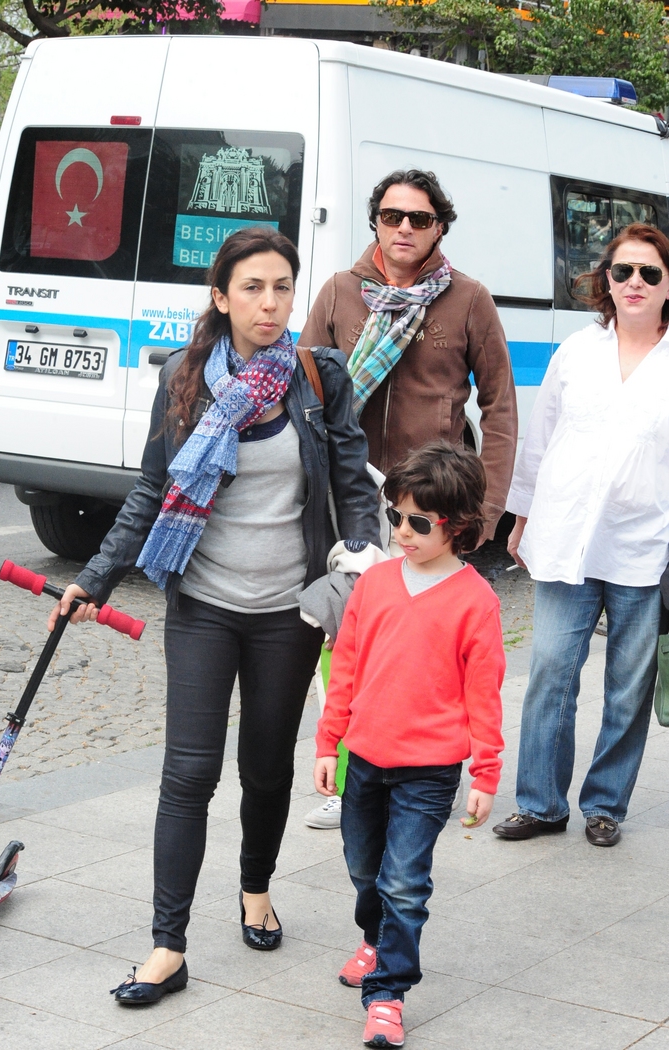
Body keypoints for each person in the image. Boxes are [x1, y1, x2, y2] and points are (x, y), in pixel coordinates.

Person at [48, 227, 381, 1003]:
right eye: (253, 288)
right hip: (202, 603)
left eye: (282, 288)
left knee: (264, 768)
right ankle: (167, 946)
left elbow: (351, 481)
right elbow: (151, 489)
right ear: (220, 297)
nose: (270, 303)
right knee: (188, 774)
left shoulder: (318, 376)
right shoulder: (183, 376)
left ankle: (255, 888)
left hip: (288, 611)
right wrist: (95, 578)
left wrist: (361, 558)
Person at [302, 167, 516, 830]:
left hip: (429, 505)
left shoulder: (468, 299)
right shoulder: (340, 292)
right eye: (391, 215)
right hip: (349, 495)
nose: (403, 228)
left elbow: (500, 406)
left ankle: (422, 770)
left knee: (420, 648)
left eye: (418, 218)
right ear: (375, 220)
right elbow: (302, 388)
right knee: (344, 634)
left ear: (438, 227)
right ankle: (347, 775)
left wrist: (485, 509)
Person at [314, 441, 505, 1049]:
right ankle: (374, 941)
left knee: (403, 883)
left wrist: (486, 774)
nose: (400, 531)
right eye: (395, 515)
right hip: (366, 759)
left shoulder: (477, 602)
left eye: (418, 523)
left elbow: (485, 696)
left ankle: (388, 994)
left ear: (458, 525)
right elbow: (345, 668)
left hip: (430, 770)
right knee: (363, 869)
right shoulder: (374, 585)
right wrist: (328, 743)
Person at [493, 222, 669, 849]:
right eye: (623, 271)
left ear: (668, 284)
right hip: (566, 534)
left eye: (650, 272)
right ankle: (540, 803)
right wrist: (521, 516)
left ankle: (605, 804)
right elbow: (540, 439)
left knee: (628, 687)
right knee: (550, 671)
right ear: (607, 281)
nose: (634, 282)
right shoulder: (576, 350)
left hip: (643, 545)